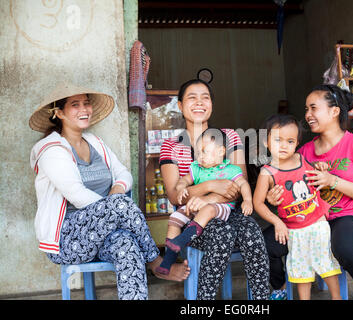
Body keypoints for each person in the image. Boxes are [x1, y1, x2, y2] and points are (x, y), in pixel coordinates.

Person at [29, 82, 190, 300]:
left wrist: (115, 194)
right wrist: (115, 207)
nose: (84, 109)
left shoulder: (95, 143)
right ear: (59, 113)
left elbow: (125, 175)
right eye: (75, 105)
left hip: (104, 233)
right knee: (119, 205)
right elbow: (77, 195)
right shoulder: (50, 150)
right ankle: (156, 262)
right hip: (68, 240)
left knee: (128, 244)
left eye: (86, 103)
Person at [267, 84, 353, 300]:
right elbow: (288, 188)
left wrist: (332, 180)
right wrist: (273, 197)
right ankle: (278, 289)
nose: (308, 115)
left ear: (334, 112)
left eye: (313, 108)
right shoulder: (303, 151)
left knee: (347, 248)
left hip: (345, 216)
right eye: (306, 109)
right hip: (305, 220)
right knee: (265, 242)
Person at [159, 79, 270, 300]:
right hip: (193, 220)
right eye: (192, 97)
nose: (199, 102)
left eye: (205, 97)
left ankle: (260, 300)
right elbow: (175, 195)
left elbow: (238, 185)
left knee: (251, 230)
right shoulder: (171, 145)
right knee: (223, 233)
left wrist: (207, 197)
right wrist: (210, 186)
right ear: (180, 105)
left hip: (229, 211)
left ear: (212, 103)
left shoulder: (230, 137)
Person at [253, 114, 342, 300]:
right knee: (301, 271)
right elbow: (258, 203)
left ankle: (337, 297)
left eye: (290, 141)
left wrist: (322, 169)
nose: (284, 145)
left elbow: (318, 180)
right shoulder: (267, 173)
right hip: (293, 229)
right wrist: (277, 222)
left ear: (297, 143)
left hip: (317, 223)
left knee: (326, 263)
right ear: (266, 141)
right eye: (278, 140)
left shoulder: (302, 160)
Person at [156, 128, 253, 275]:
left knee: (208, 210)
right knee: (175, 217)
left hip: (220, 207)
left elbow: (243, 184)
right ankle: (168, 261)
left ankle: (184, 238)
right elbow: (184, 181)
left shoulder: (230, 170)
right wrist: (182, 188)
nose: (200, 156)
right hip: (196, 205)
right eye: (198, 152)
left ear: (221, 152)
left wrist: (247, 200)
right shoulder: (196, 168)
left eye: (204, 152)